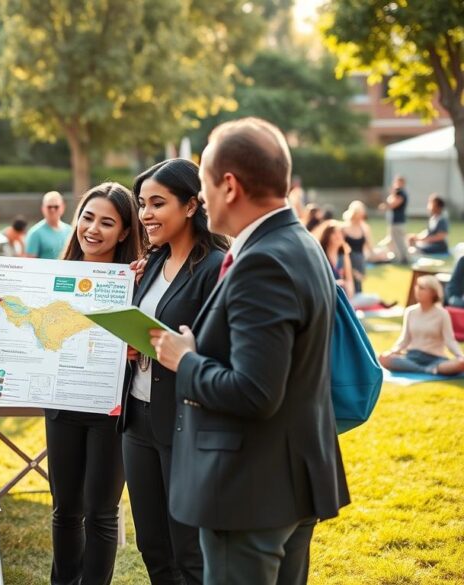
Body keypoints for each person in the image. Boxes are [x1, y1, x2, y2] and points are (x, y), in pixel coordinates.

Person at [151, 117, 350, 585]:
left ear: (229, 185)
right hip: (292, 475)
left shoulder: (262, 260)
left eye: (202, 183)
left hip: (250, 487)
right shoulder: (298, 241)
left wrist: (185, 359)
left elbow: (255, 391)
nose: (200, 198)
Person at [120, 159, 227, 584]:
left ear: (190, 205)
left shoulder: (217, 267)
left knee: (189, 550)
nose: (145, 213)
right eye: (142, 203)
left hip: (186, 423)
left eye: (158, 203)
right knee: (152, 545)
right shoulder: (149, 264)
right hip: (138, 419)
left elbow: (218, 348)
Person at [46, 181, 147, 585]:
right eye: (88, 217)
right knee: (65, 509)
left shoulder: (137, 281)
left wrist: (133, 347)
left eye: (108, 222)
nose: (94, 229)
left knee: (102, 512)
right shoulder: (54, 276)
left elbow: (149, 339)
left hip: (112, 409)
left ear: (124, 232)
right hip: (62, 404)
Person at [379, 275, 464, 375]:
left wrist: (460, 356)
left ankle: (426, 368)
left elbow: (450, 340)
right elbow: (404, 338)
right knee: (383, 358)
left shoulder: (442, 314)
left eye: (422, 288)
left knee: (461, 364)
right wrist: (393, 351)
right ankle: (427, 370)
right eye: (417, 287)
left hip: (435, 359)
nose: (418, 290)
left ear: (433, 292)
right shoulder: (410, 311)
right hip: (412, 357)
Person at [313, 220, 387, 310]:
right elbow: (318, 283)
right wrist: (335, 284)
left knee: (374, 297)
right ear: (327, 236)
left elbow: (349, 281)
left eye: (340, 233)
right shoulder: (321, 255)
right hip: (326, 296)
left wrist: (348, 289)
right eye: (334, 233)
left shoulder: (344, 255)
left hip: (344, 297)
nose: (338, 236)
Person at [25, 190, 72, 259]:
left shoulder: (70, 230)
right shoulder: (35, 233)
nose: (52, 210)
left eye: (56, 207)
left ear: (63, 207)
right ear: (43, 208)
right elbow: (30, 263)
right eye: (49, 207)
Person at [341, 201, 374, 291]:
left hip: (359, 259)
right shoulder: (344, 228)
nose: (361, 217)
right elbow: (340, 246)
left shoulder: (365, 228)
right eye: (359, 215)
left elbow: (369, 246)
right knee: (348, 285)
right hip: (347, 259)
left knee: (358, 285)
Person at [383, 175, 410, 264]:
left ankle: (401, 259)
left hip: (398, 222)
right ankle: (403, 258)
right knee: (397, 240)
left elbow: (392, 204)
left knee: (399, 241)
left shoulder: (401, 193)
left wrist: (391, 195)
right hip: (396, 221)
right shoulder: (399, 193)